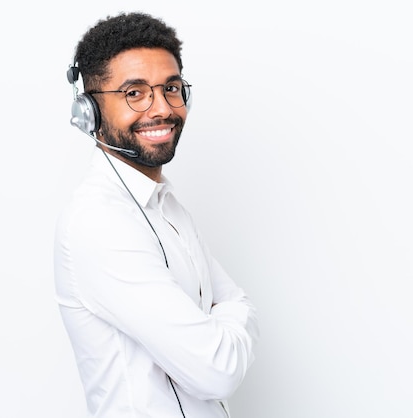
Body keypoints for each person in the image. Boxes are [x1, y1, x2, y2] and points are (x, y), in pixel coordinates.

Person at [54, 12, 259, 418]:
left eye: (171, 88)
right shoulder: (99, 223)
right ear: (88, 111)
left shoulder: (168, 208)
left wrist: (229, 315)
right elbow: (217, 371)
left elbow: (238, 300)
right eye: (134, 93)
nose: (162, 109)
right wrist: (229, 320)